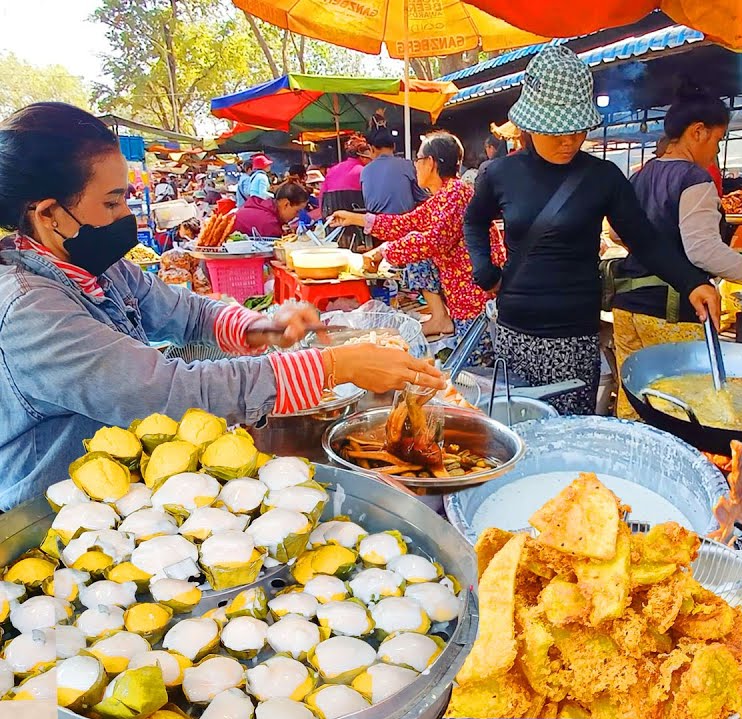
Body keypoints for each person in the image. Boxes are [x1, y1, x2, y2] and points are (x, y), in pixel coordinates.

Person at [0, 103, 445, 508]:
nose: (126, 216)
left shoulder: (101, 268)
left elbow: (188, 312)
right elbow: (167, 393)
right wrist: (332, 367)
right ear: (49, 215)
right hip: (51, 513)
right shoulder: (30, 311)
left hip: (123, 494)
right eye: (113, 202)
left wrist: (265, 327)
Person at [463, 46, 719, 415]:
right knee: (517, 436)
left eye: (578, 129)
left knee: (570, 439)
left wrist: (692, 282)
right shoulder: (499, 174)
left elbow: (644, 241)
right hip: (515, 332)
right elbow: (474, 220)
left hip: (575, 336)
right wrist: (483, 269)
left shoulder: (604, 178)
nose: (570, 140)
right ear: (533, 124)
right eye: (558, 131)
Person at [610, 87, 742, 420]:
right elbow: (703, 251)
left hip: (627, 308)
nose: (715, 151)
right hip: (671, 311)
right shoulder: (693, 177)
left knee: (634, 401)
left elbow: (615, 232)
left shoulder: (640, 176)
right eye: (716, 140)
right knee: (682, 407)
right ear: (697, 131)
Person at [341, 133, 498, 348]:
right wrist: (355, 219)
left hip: (475, 303)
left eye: (418, 159)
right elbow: (407, 222)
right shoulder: (445, 195)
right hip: (463, 298)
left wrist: (384, 251)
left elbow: (433, 241)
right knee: (413, 240)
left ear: (431, 163)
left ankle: (442, 321)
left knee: (471, 371)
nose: (415, 166)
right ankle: (439, 317)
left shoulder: (457, 193)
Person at [361, 128, 426, 215]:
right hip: (402, 224)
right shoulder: (407, 165)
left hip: (374, 224)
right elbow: (422, 198)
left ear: (371, 148)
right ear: (394, 146)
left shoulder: (365, 171)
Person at [233, 182, 310, 238]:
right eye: (297, 211)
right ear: (286, 204)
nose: (297, 216)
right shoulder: (269, 222)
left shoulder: (262, 208)